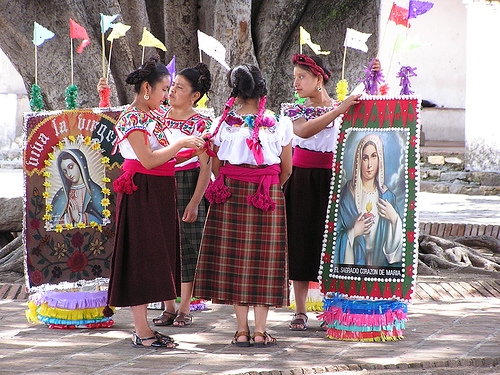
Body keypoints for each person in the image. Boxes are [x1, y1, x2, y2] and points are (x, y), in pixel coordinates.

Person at [105, 56, 207, 348]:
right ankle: (142, 331)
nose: (167, 95)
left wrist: (197, 145)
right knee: (141, 257)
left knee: (155, 257)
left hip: (160, 189)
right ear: (147, 89)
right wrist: (181, 144)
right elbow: (149, 160)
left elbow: (167, 157)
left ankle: (146, 329)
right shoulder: (133, 117)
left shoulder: (152, 117)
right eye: (164, 89)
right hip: (143, 191)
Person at [194, 64, 293, 347]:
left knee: (237, 260)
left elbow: (216, 166)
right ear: (262, 88)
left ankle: (241, 331)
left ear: (235, 92)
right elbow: (286, 169)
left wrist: (234, 181)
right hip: (268, 194)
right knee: (264, 262)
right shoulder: (279, 123)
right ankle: (261, 332)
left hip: (231, 193)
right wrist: (269, 186)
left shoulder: (223, 124)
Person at [282, 54, 374, 331]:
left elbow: (373, 109)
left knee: (335, 242)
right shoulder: (294, 110)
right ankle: (299, 310)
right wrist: (337, 110)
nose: (296, 83)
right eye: (294, 77)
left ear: (318, 79)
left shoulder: (344, 108)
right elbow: (304, 132)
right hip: (301, 179)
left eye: (302, 77)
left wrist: (374, 75)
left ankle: (332, 305)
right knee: (301, 239)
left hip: (336, 181)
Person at [151, 63, 212, 328]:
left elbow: (206, 166)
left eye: (180, 87)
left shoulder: (202, 123)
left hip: (189, 183)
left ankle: (185, 308)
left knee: (188, 247)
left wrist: (196, 201)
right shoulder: (157, 116)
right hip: (160, 181)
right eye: (172, 86)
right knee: (163, 244)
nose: (173, 91)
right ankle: (168, 306)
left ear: (195, 95)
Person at [334, 133, 403, 267]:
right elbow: (334, 236)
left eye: (373, 157)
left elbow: (394, 252)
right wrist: (354, 232)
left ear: (380, 160)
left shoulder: (388, 197)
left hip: (379, 263)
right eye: (365, 158)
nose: (369, 165)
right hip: (354, 261)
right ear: (358, 161)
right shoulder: (347, 194)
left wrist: (394, 219)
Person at [50, 149, 104, 228]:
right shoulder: (61, 194)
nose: (69, 174)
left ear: (80, 165)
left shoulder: (95, 191)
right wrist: (67, 219)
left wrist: (79, 218)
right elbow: (52, 223)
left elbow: (103, 220)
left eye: (71, 167)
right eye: (65, 171)